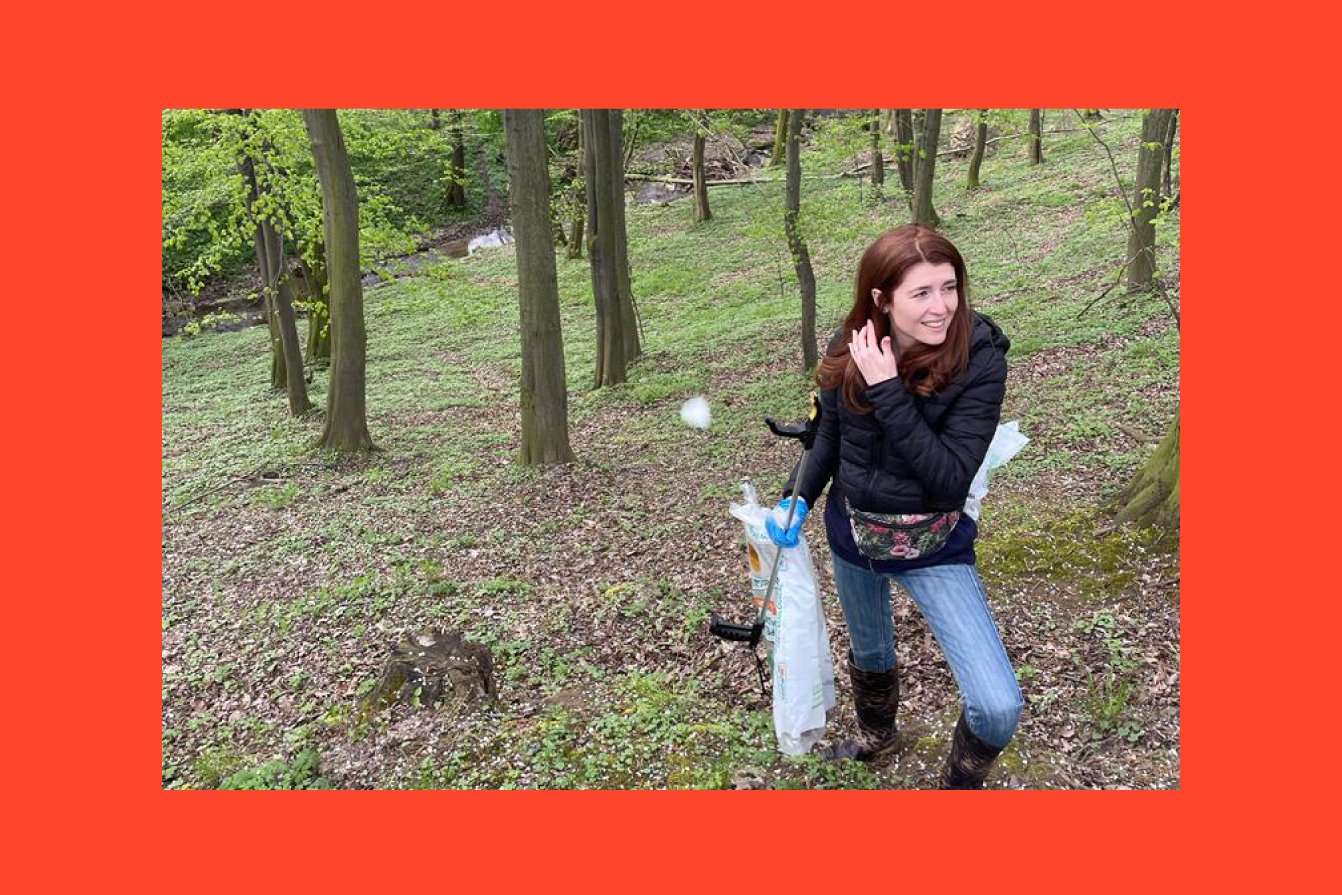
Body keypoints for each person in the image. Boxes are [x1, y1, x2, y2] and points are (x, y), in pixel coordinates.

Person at [765, 224, 1023, 789]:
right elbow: (826, 437)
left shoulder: (980, 358)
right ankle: (877, 736)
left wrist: (888, 391)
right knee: (871, 648)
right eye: (922, 293)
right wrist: (797, 497)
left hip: (934, 542)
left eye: (949, 287)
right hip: (853, 534)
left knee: (999, 705)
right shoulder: (851, 342)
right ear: (882, 299)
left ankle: (959, 785)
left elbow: (950, 479)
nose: (942, 308)